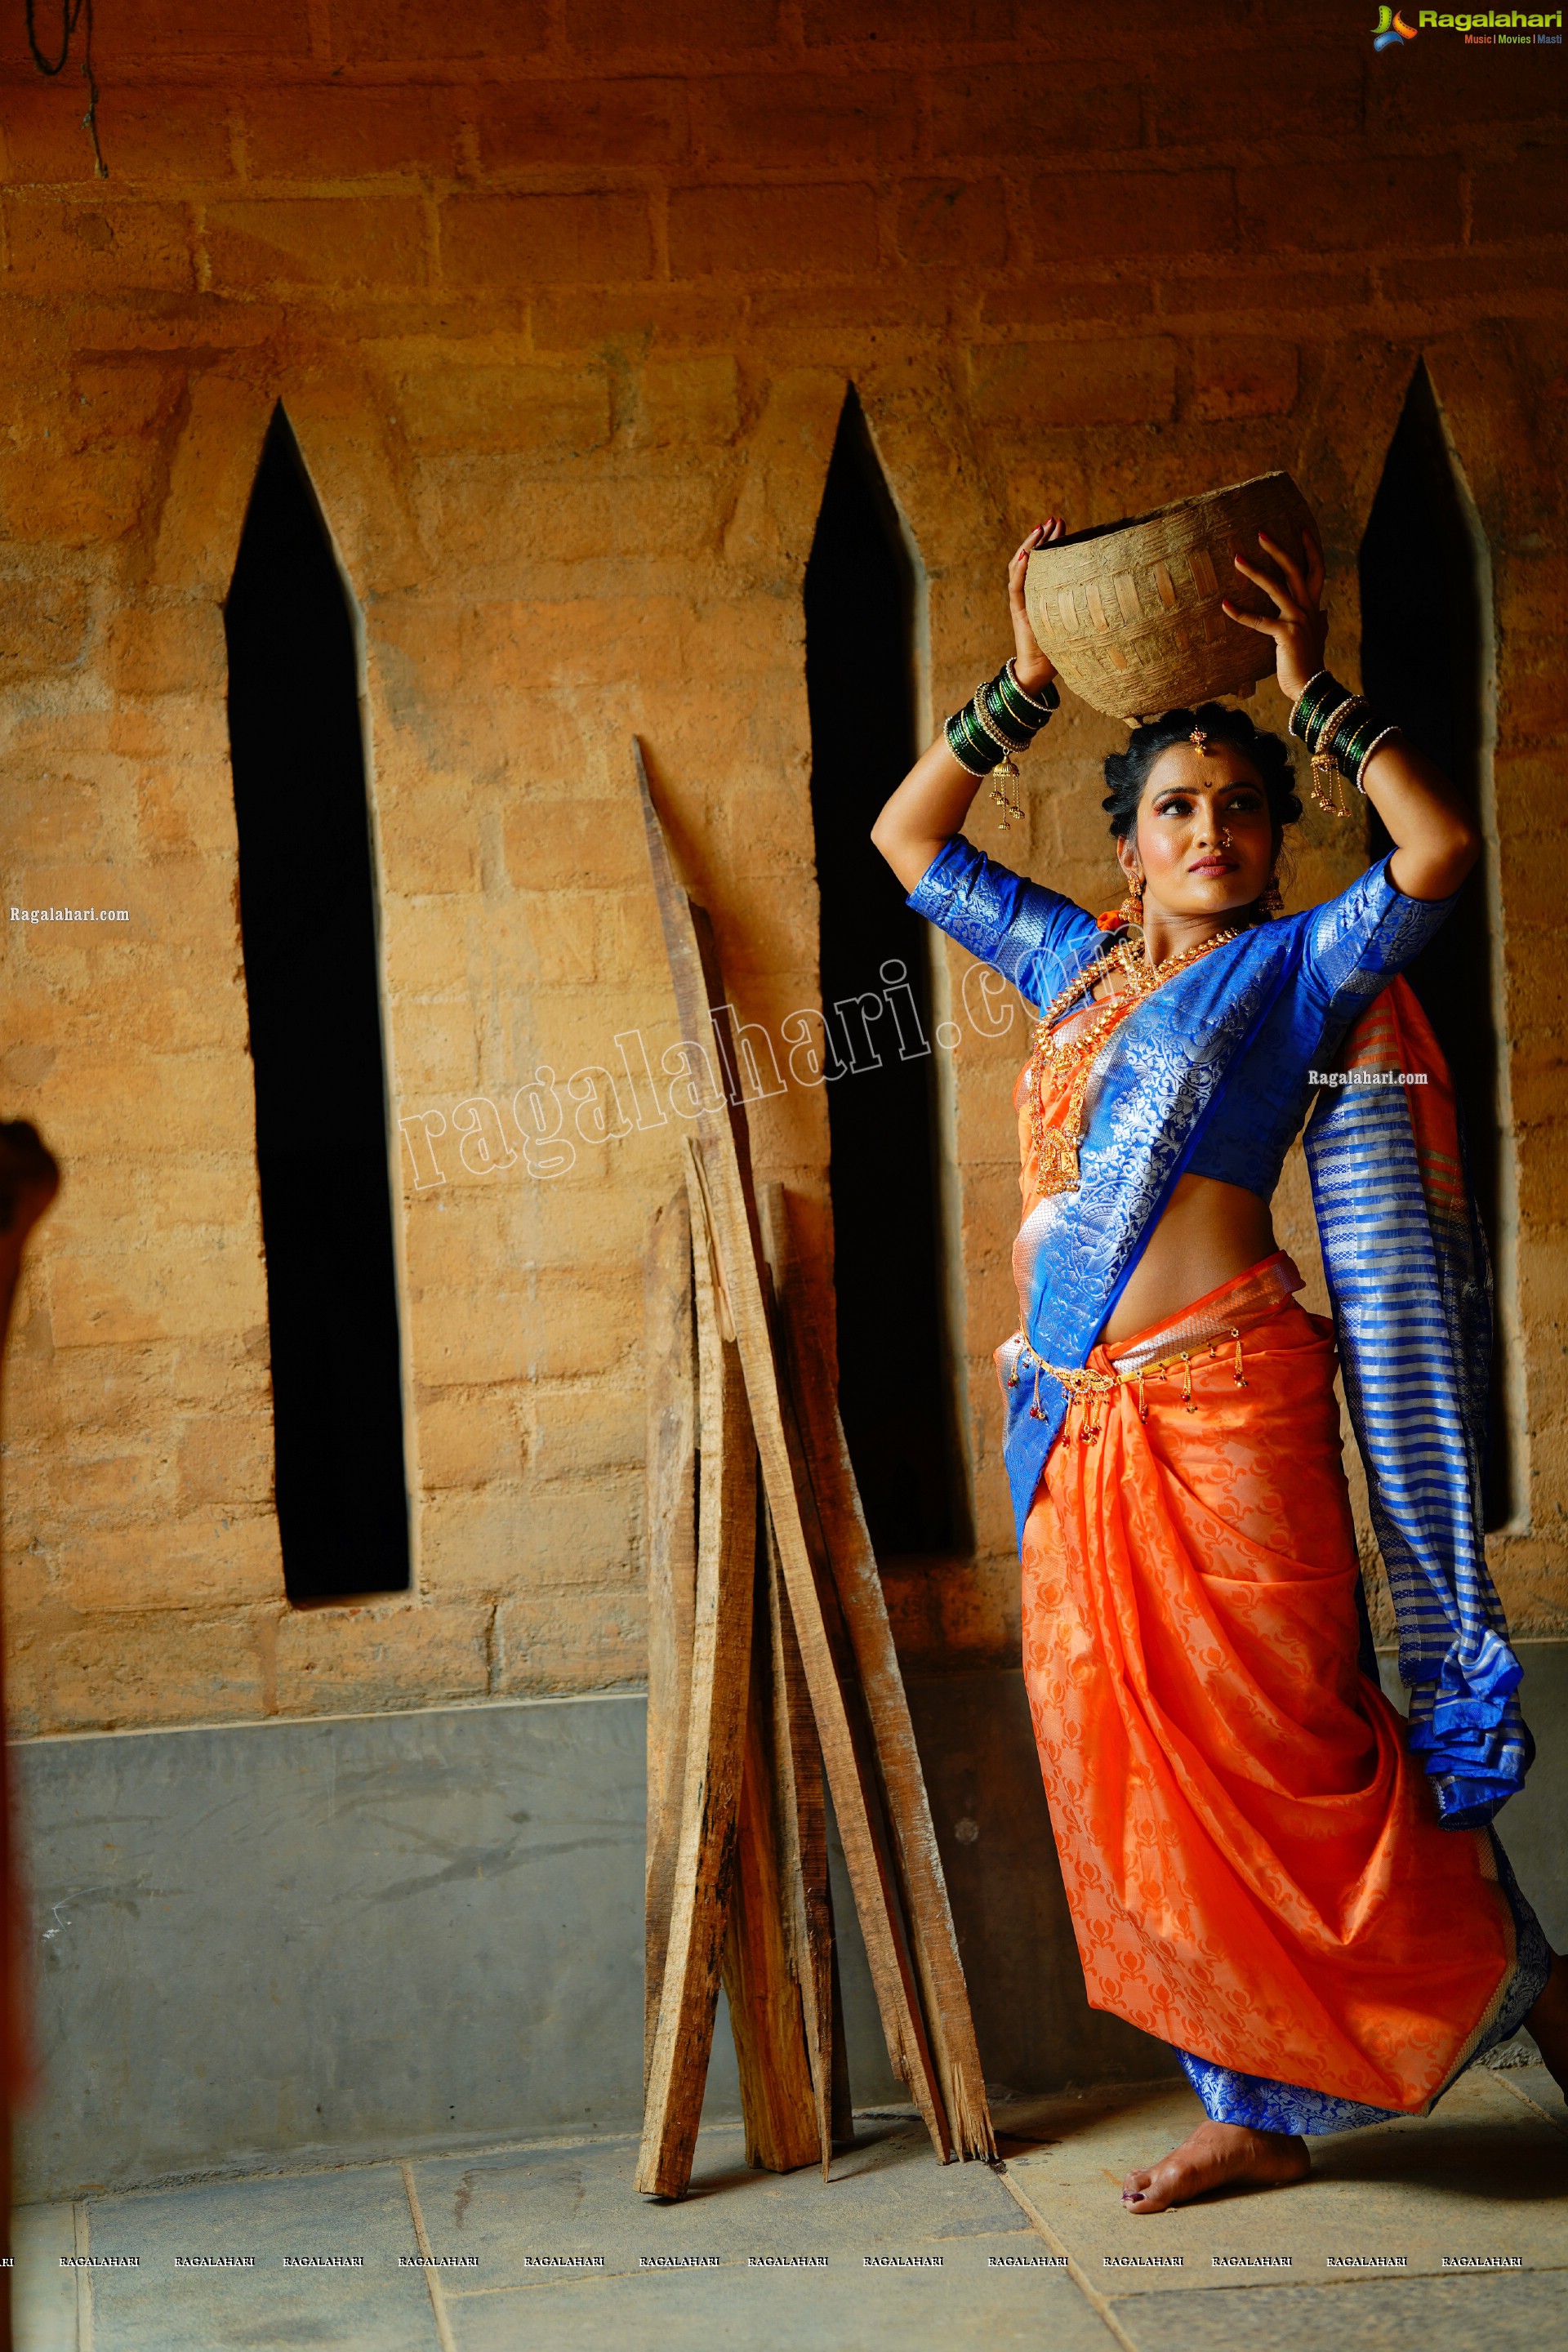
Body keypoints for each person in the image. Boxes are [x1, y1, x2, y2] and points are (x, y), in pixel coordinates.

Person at [871, 515, 1568, 2213]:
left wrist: (1314, 692)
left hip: (1229, 1411)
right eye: (1178, 808)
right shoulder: (1070, 964)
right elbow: (905, 837)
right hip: (1078, 1425)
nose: (1213, 830)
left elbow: (1441, 850)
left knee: (1302, 1754)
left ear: (1273, 835)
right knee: (1133, 1771)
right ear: (1129, 843)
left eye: (1242, 808)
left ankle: (1526, 1997)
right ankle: (1246, 2105)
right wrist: (1023, 684)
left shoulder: (1300, 964)